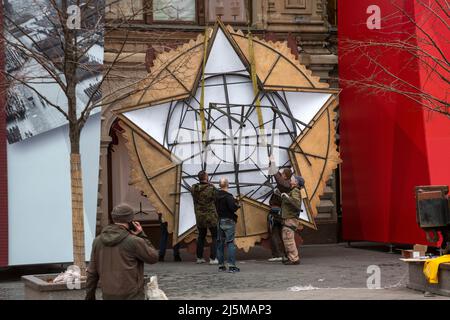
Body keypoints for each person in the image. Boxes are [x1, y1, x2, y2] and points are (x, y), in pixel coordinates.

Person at [85, 204, 159, 300]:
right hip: (132, 296)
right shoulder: (134, 241)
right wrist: (141, 234)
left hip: (108, 296)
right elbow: (153, 258)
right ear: (130, 220)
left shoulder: (97, 241)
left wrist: (89, 297)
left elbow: (92, 273)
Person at [191, 170, 219, 265]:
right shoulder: (211, 188)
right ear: (206, 178)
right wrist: (212, 185)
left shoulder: (194, 188)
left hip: (200, 216)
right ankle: (213, 258)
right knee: (215, 236)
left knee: (201, 236)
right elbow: (217, 196)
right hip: (211, 216)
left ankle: (199, 258)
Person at [267, 166, 293, 262]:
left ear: (285, 176)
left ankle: (277, 254)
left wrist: (273, 162)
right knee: (282, 234)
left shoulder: (284, 184)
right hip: (282, 213)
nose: (281, 175)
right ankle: (286, 254)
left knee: (273, 233)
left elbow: (277, 178)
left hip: (275, 212)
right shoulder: (288, 185)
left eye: (282, 174)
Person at [215, 177, 241, 273]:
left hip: (219, 221)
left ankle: (221, 266)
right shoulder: (229, 196)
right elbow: (233, 208)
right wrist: (237, 203)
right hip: (229, 221)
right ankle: (231, 266)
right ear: (227, 184)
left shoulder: (216, 196)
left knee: (220, 244)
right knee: (230, 243)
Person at [280, 175, 304, 265]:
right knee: (287, 238)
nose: (291, 180)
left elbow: (296, 203)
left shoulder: (295, 191)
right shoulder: (293, 191)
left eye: (292, 179)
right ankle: (291, 257)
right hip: (289, 218)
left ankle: (294, 258)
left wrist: (286, 196)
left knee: (288, 239)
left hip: (290, 218)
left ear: (296, 182)